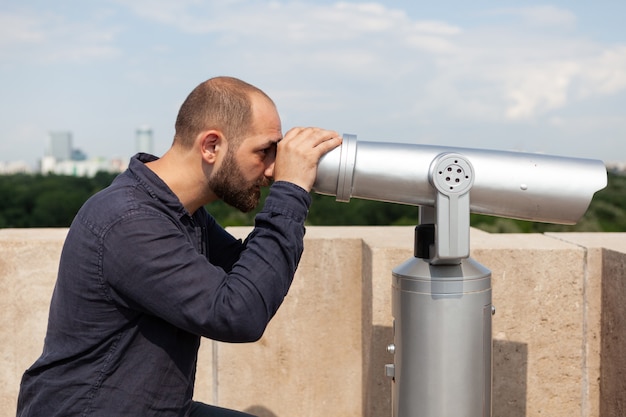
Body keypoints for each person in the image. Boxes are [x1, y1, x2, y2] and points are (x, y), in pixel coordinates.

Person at [16, 76, 342, 417]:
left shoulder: (177, 211)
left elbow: (248, 273)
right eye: (264, 151)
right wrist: (290, 191)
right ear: (211, 146)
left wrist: (300, 182)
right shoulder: (129, 220)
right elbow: (238, 314)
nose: (273, 169)